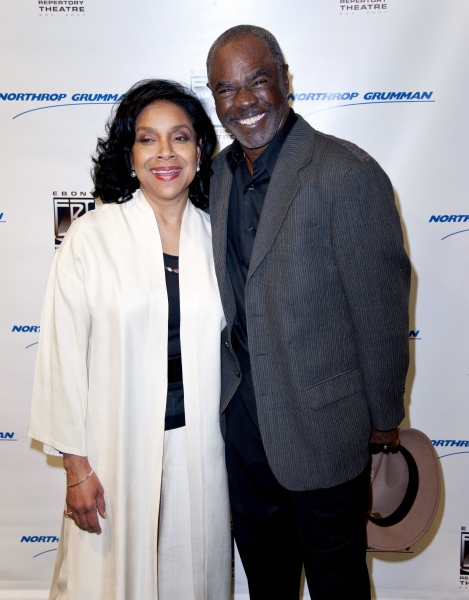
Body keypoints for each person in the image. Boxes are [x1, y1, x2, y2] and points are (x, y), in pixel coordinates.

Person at [206, 25, 411, 600]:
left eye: (258, 81)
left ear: (286, 82)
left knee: (337, 583)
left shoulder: (345, 172)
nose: (243, 102)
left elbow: (381, 308)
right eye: (226, 89)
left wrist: (383, 420)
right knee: (266, 583)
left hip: (324, 429)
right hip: (244, 432)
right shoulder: (219, 176)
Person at [28, 79, 231, 600]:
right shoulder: (92, 237)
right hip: (113, 451)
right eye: (148, 139)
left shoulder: (220, 238)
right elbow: (62, 357)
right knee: (108, 580)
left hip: (203, 451)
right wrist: (76, 468)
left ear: (201, 150)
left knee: (196, 578)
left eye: (180, 137)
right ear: (130, 153)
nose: (165, 152)